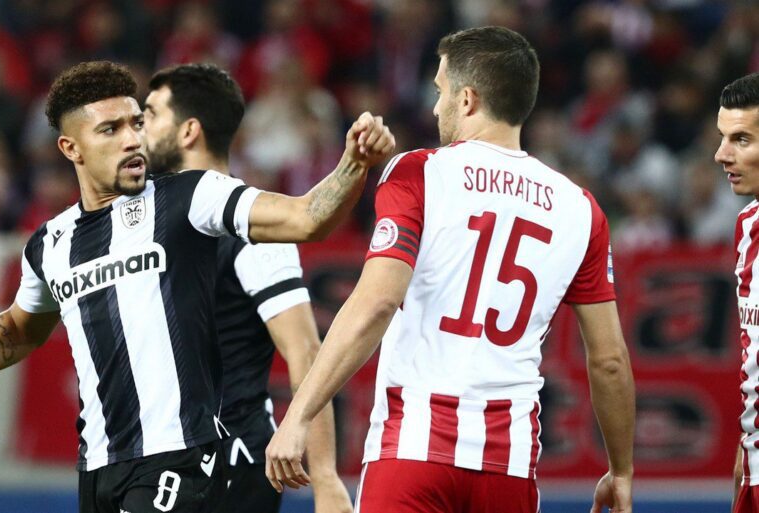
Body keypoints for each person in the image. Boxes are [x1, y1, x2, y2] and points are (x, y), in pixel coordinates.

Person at [0, 60, 394, 513]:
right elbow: (20, 328)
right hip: (98, 468)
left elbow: (305, 218)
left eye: (136, 123)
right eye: (111, 130)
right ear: (71, 148)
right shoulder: (49, 244)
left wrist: (353, 164)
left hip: (181, 459)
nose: (133, 139)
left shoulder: (192, 196)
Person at [265, 26, 635, 513]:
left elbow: (377, 302)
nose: (436, 106)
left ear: (467, 99)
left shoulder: (419, 172)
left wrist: (299, 416)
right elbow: (609, 359)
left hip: (412, 451)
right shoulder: (581, 209)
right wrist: (621, 470)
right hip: (509, 467)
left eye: (440, 91)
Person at [143, 63, 352, 513]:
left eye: (152, 114)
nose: (139, 128)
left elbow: (305, 352)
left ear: (189, 131)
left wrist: (325, 479)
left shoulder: (251, 228)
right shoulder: (143, 226)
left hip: (230, 464)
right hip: (156, 465)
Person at [715, 72, 759, 513]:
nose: (721, 154)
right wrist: (744, 454)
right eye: (723, 137)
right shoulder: (747, 227)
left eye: (741, 140)